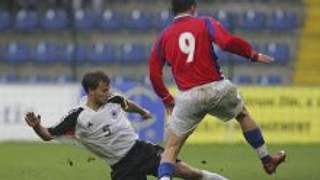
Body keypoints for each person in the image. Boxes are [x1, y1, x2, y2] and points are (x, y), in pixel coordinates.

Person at [148, 0, 287, 179]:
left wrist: (167, 99)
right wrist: (252, 54)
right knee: (242, 115)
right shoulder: (205, 22)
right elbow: (227, 42)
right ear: (193, 7)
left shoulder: (163, 36)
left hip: (188, 96)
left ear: (172, 10)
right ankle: (267, 160)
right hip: (217, 88)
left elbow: (153, 73)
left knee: (171, 149)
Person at [25, 71, 228, 180]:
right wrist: (36, 126)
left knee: (186, 172)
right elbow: (47, 135)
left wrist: (142, 112)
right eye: (104, 90)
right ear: (91, 91)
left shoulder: (114, 99)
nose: (108, 92)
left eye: (109, 89)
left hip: (140, 150)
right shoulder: (76, 117)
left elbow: (126, 103)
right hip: (121, 167)